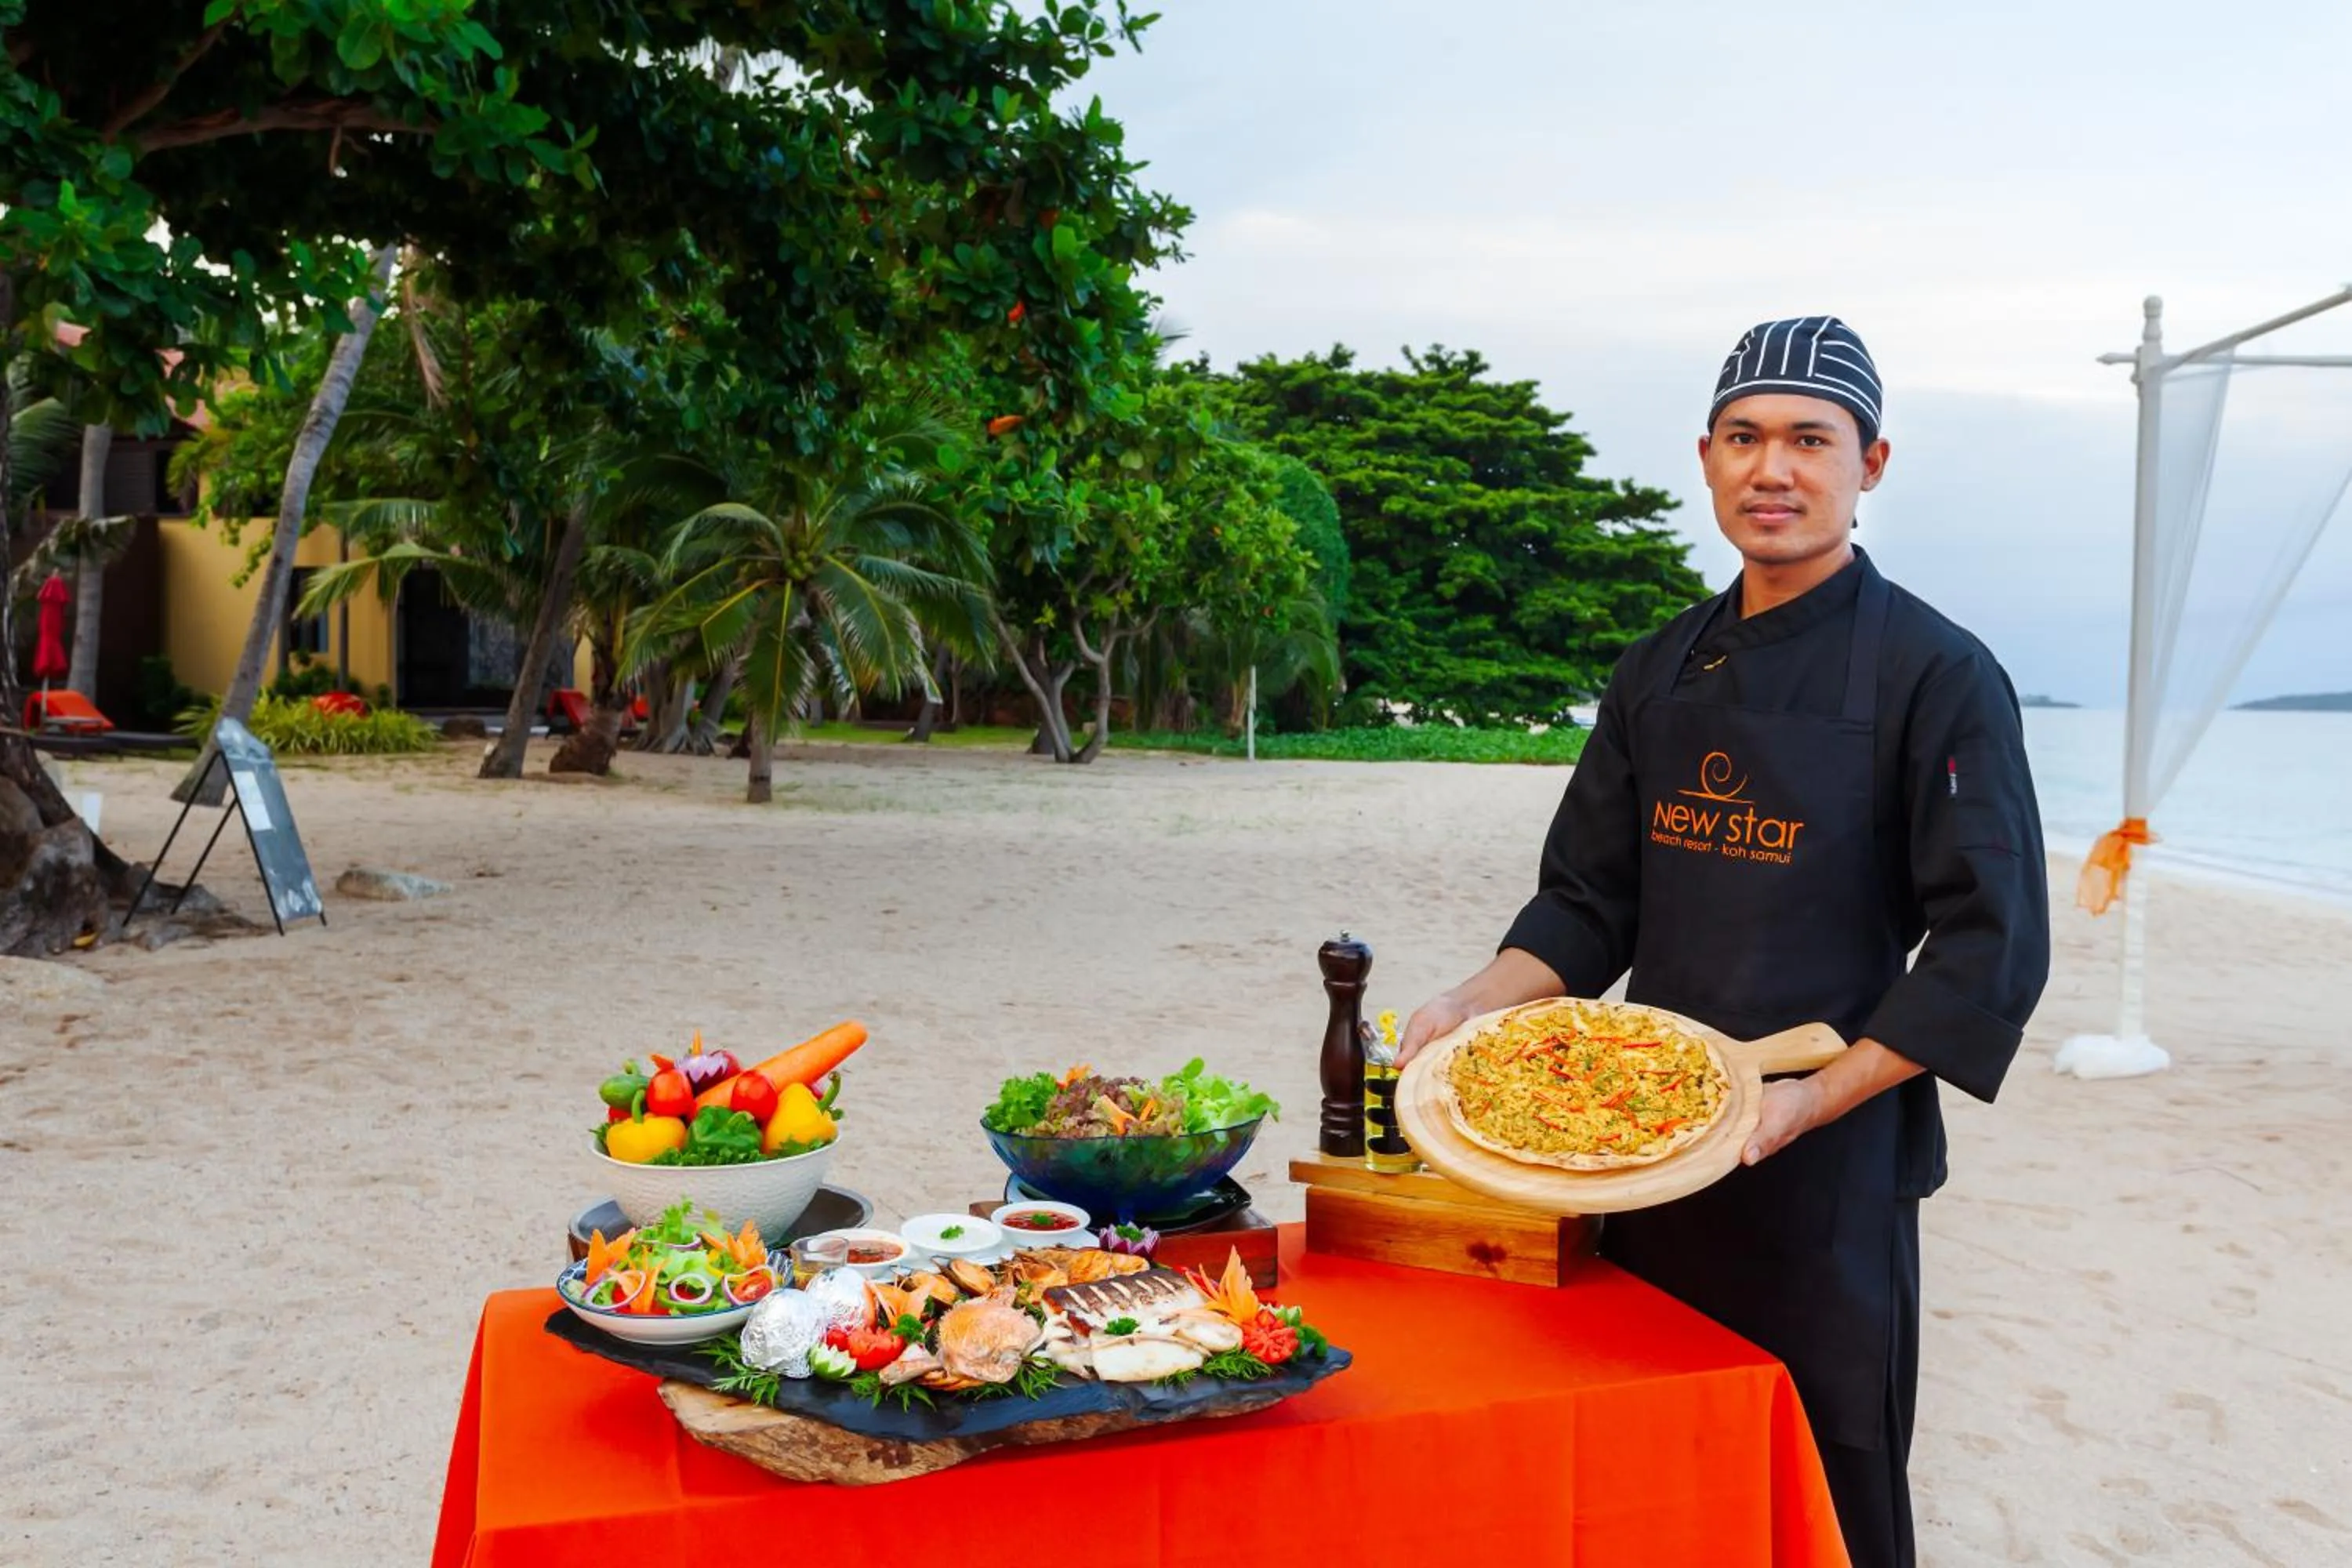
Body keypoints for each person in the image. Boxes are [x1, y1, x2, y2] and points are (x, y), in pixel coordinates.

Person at [1397, 316, 2052, 1568]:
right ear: (1705, 458)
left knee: (1823, 1481)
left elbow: (1989, 949)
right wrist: (1476, 1000)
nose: (1775, 469)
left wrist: (1809, 1099)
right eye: (1746, 438)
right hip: (1634, 1149)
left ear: (1872, 464)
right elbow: (1590, 904)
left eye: (1812, 440)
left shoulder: (1939, 674)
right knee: (1647, 1475)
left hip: (1829, 1170)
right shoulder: (1656, 671)